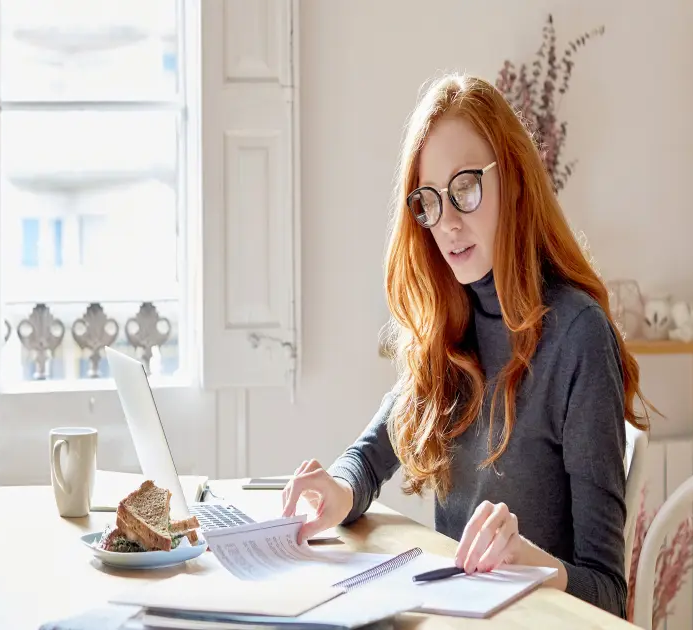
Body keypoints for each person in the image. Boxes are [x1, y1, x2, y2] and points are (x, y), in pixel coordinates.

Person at [280, 73, 653, 618]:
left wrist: (530, 561)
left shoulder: (579, 336)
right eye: (429, 202)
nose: (448, 223)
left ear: (516, 182)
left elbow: (609, 594)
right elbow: (367, 458)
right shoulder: (449, 325)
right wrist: (336, 491)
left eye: (467, 188)